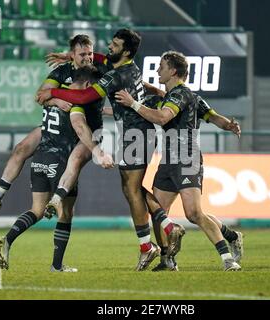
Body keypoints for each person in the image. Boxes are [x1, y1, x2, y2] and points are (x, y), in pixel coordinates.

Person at [37, 29, 185, 271]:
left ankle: (158, 237)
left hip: (135, 134)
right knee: (130, 188)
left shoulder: (116, 75)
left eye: (115, 45)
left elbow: (84, 96)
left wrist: (52, 92)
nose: (109, 47)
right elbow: (99, 59)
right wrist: (70, 56)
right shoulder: (128, 66)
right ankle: (158, 237)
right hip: (136, 133)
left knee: (133, 189)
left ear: (125, 51)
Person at [115, 51, 242, 271]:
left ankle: (227, 257)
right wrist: (227, 124)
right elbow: (212, 116)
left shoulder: (181, 95)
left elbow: (162, 117)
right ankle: (167, 259)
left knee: (193, 213)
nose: (157, 71)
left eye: (161, 67)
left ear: (173, 71)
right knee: (158, 213)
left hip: (187, 158)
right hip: (168, 162)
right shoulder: (182, 96)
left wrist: (134, 103)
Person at [0, 34, 111, 211]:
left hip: (85, 127)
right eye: (82, 54)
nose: (88, 58)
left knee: (75, 162)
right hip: (59, 126)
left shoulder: (100, 70)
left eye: (90, 53)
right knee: (21, 148)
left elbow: (114, 64)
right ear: (73, 55)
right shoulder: (61, 72)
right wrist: (56, 101)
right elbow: (40, 95)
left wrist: (55, 93)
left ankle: (57, 202)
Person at [0, 66, 103, 272]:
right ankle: (56, 265)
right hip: (61, 162)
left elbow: (43, 97)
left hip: (39, 159)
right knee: (66, 213)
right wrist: (96, 150)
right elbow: (79, 126)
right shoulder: (75, 102)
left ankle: (6, 240)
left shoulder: (53, 98)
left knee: (36, 210)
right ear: (88, 84)